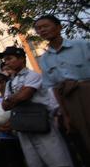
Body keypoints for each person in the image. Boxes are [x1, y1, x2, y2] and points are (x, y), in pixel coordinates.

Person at [0, 46, 84, 167]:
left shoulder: (33, 75)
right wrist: (14, 99)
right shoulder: (10, 83)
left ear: (21, 58)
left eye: (10, 58)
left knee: (61, 163)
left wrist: (13, 99)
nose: (7, 62)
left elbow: (25, 95)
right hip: (24, 125)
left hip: (42, 123)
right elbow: (4, 104)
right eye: (5, 59)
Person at [33, 15, 90, 158]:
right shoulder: (45, 59)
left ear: (59, 27)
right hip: (69, 101)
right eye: (38, 29)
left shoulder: (82, 45)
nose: (42, 30)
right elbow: (53, 88)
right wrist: (65, 115)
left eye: (46, 26)